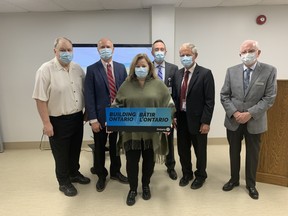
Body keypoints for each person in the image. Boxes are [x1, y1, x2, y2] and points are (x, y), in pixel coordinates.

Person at [113, 53, 175, 206]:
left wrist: (167, 120)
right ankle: (133, 189)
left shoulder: (158, 84)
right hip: (131, 133)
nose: (141, 69)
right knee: (131, 162)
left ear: (150, 67)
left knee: (149, 161)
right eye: (138, 66)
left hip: (151, 133)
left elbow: (170, 104)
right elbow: (116, 104)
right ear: (133, 68)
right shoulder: (126, 85)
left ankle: (146, 185)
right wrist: (114, 119)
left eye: (144, 66)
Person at [32, 37, 90, 197]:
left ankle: (74, 173)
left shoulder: (78, 69)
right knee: (61, 154)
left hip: (77, 117)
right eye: (62, 50)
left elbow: (85, 93)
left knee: (74, 149)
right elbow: (39, 98)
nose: (66, 53)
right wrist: (46, 123)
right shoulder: (45, 70)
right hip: (57, 121)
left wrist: (86, 112)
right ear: (55, 51)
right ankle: (64, 182)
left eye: (69, 50)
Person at [220, 40, 277, 199]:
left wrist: (249, 113)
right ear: (239, 55)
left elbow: (269, 98)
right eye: (243, 52)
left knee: (253, 154)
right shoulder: (231, 71)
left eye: (251, 50)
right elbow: (224, 95)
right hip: (233, 120)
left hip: (255, 120)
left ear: (258, 52)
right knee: (233, 151)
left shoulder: (269, 71)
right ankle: (234, 179)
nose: (247, 54)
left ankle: (251, 184)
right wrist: (235, 113)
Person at [84, 38, 128, 192]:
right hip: (100, 118)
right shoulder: (91, 69)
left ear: (113, 49)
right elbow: (89, 96)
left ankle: (116, 172)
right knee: (100, 147)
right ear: (98, 50)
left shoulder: (121, 68)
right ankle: (101, 175)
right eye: (102, 47)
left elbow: (125, 93)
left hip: (117, 116)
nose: (105, 49)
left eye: (108, 46)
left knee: (116, 146)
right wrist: (93, 120)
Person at [173, 42, 215, 190]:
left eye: (188, 55)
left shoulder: (205, 73)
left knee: (200, 150)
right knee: (183, 149)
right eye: (182, 55)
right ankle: (186, 174)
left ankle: (201, 175)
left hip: (198, 120)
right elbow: (174, 97)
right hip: (182, 118)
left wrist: (206, 122)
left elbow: (210, 101)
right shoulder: (177, 74)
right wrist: (174, 116)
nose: (185, 57)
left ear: (195, 56)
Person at [151, 39, 178, 180]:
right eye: (156, 49)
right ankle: (149, 166)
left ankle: (170, 166)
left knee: (168, 140)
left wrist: (174, 114)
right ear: (152, 52)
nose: (159, 52)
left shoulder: (173, 69)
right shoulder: (146, 67)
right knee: (150, 141)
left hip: (167, 111)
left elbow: (176, 93)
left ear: (166, 52)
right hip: (151, 112)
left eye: (162, 49)